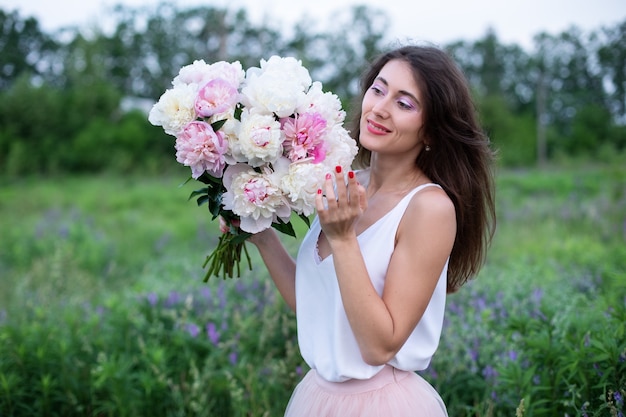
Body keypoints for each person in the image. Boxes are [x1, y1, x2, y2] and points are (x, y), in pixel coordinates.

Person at [247, 44, 496, 416]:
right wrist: (260, 233)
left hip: (384, 404)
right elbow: (318, 304)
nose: (379, 107)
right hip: (317, 398)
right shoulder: (342, 181)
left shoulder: (428, 207)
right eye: (378, 89)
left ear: (430, 131)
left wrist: (344, 239)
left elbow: (380, 346)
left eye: (404, 103)